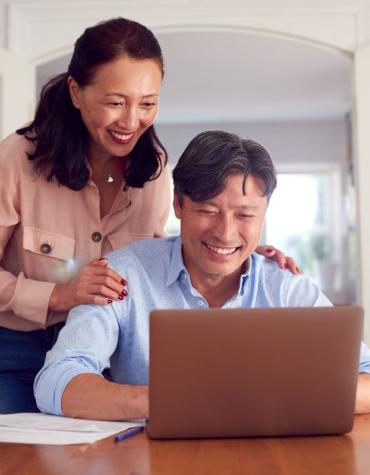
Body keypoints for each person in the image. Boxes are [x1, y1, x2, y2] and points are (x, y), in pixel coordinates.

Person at [0, 18, 297, 414]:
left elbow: (155, 260)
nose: (131, 121)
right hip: (16, 351)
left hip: (110, 357)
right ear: (76, 91)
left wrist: (237, 251)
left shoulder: (153, 170)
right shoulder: (18, 160)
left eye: (147, 103)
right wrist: (58, 295)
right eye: (115, 102)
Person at [34, 130, 370, 420]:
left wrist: (272, 400)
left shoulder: (286, 285)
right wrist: (165, 402)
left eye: (245, 215)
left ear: (264, 214)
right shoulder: (123, 274)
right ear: (178, 205)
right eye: (208, 211)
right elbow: (56, 380)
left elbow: (366, 378)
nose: (225, 234)